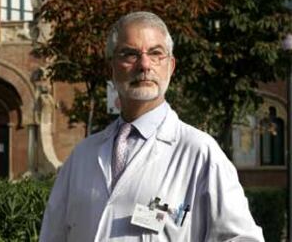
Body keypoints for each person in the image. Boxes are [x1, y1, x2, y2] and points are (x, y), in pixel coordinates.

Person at [39, 12, 264, 241]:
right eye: (130, 54)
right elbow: (52, 235)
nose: (144, 64)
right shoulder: (83, 155)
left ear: (171, 66)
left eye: (156, 54)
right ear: (111, 67)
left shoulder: (199, 152)